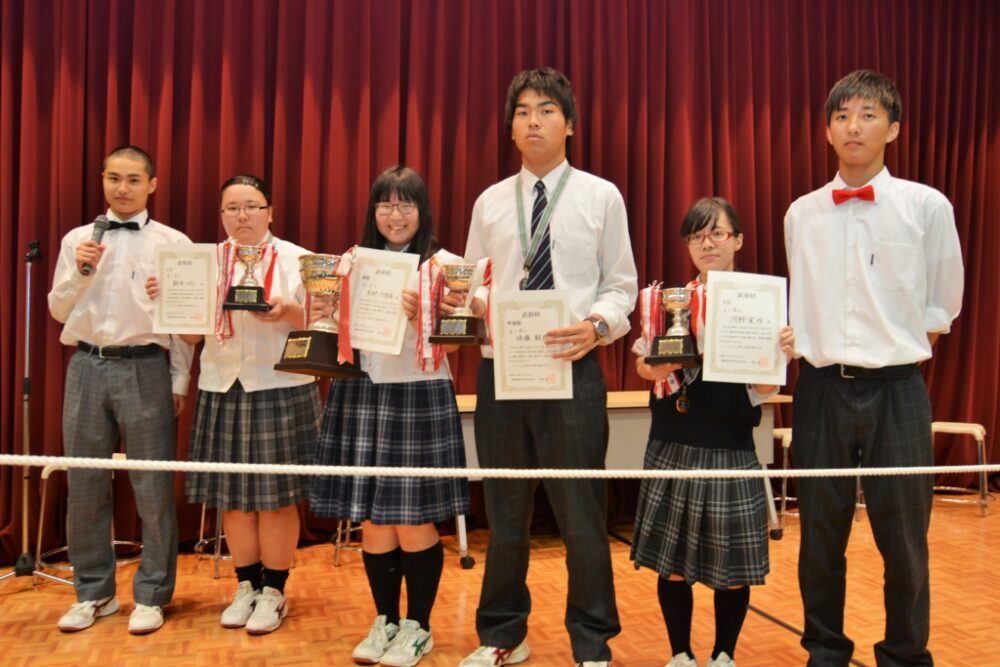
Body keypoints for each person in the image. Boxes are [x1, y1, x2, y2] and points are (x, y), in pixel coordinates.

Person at [458, 67, 638, 667]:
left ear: (570, 124)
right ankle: (502, 634)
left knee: (581, 513)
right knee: (505, 514)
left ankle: (592, 642)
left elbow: (621, 285)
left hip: (573, 370)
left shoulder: (601, 196)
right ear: (510, 129)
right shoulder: (489, 202)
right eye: (522, 112)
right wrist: (475, 301)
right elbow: (473, 285)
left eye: (546, 110)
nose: (533, 121)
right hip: (503, 373)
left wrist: (596, 327)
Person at [784, 69, 964, 666]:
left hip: (897, 389)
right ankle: (825, 652)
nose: (852, 126)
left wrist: (897, 344)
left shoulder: (925, 206)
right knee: (819, 536)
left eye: (867, 114)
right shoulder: (801, 213)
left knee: (905, 539)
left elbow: (942, 303)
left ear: (893, 128)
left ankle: (906, 655)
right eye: (841, 116)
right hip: (820, 390)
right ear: (827, 131)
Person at [309, 166, 471, 667]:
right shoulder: (350, 262)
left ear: (422, 211)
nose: (395, 215)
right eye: (385, 204)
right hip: (361, 391)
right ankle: (386, 621)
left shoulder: (446, 265)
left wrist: (428, 313)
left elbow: (459, 341)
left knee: (413, 521)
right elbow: (328, 324)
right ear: (373, 211)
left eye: (405, 205)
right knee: (374, 521)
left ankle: (418, 627)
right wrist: (323, 306)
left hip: (419, 396)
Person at [147, 174, 320, 635]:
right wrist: (169, 302)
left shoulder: (298, 260)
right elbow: (189, 338)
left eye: (251, 206)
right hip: (222, 385)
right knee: (233, 497)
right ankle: (246, 585)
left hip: (281, 385)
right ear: (221, 214)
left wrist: (288, 311)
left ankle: (275, 591)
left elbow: (321, 326)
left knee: (277, 499)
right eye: (232, 208)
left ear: (270, 211)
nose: (242, 216)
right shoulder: (202, 262)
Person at [632, 198, 794, 667]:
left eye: (717, 233)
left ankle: (724, 654)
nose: (707, 244)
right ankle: (680, 653)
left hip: (730, 444)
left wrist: (779, 353)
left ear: (737, 240)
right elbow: (644, 362)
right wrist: (655, 365)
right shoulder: (668, 301)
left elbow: (764, 388)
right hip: (672, 440)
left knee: (733, 567)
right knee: (671, 564)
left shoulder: (761, 302)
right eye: (696, 236)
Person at [48, 145, 193, 635]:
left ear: (152, 185)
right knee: (85, 485)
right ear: (103, 180)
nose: (123, 188)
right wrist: (78, 273)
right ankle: (94, 593)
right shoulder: (77, 240)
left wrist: (178, 381)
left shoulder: (173, 242)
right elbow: (57, 310)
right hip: (86, 365)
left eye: (133, 179)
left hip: (145, 366)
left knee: (152, 486)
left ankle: (152, 595)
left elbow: (184, 320)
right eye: (114, 178)